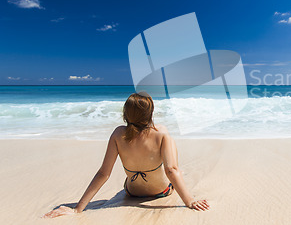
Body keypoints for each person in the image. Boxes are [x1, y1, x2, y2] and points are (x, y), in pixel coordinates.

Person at [44, 92, 209, 218]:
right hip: (162, 191)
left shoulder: (118, 134)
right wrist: (190, 201)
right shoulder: (161, 134)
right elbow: (171, 170)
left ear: (125, 114)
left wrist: (78, 209)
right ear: (150, 113)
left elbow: (104, 173)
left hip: (132, 192)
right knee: (170, 151)